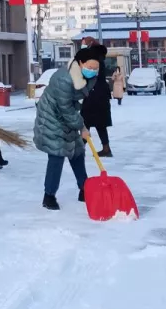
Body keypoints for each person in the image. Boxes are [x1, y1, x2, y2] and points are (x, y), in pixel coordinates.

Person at [33, 45, 105, 210]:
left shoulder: (89, 77)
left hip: (69, 114)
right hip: (51, 117)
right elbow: (64, 107)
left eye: (96, 67)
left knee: (77, 151)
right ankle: (49, 196)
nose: (93, 70)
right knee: (57, 154)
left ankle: (84, 189)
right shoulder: (63, 79)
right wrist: (81, 126)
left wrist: (81, 124)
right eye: (90, 67)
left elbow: (75, 104)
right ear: (80, 63)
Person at [81, 53, 113, 157]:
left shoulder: (99, 77)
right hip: (94, 104)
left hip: (96, 104)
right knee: (92, 125)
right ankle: (105, 148)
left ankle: (81, 149)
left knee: (87, 124)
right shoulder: (90, 77)